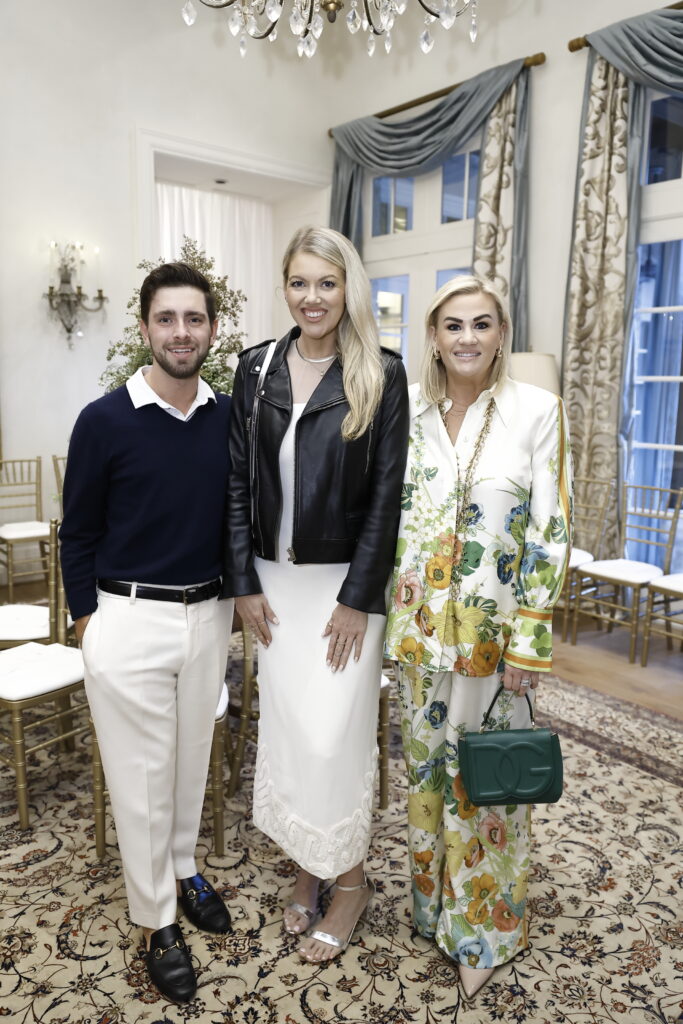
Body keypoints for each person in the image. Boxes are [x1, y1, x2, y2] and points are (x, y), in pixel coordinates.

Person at [384, 275, 572, 998]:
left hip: (492, 644)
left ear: (500, 333)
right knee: (426, 782)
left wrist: (527, 645)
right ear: (433, 335)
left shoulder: (536, 412)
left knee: (484, 789)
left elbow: (549, 534)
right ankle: (433, 909)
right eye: (453, 325)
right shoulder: (410, 416)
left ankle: (485, 930)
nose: (467, 338)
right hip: (418, 638)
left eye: (481, 324)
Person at [226, 225, 409, 963]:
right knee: (294, 735)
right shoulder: (255, 367)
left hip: (341, 589)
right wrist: (240, 579)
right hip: (273, 585)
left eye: (326, 284)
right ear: (285, 286)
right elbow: (236, 481)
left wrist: (359, 596)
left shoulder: (380, 373)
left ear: (347, 289)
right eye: (299, 282)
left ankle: (353, 882)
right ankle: (307, 868)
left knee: (336, 737)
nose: (312, 297)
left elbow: (385, 499)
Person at [59, 262, 234, 1004]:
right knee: (140, 780)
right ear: (144, 329)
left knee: (190, 763)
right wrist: (89, 624)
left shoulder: (229, 416)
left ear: (212, 331)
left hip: (208, 615)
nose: (181, 333)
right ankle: (157, 919)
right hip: (127, 617)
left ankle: (186, 868)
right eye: (166, 319)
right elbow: (78, 531)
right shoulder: (103, 419)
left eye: (194, 319)